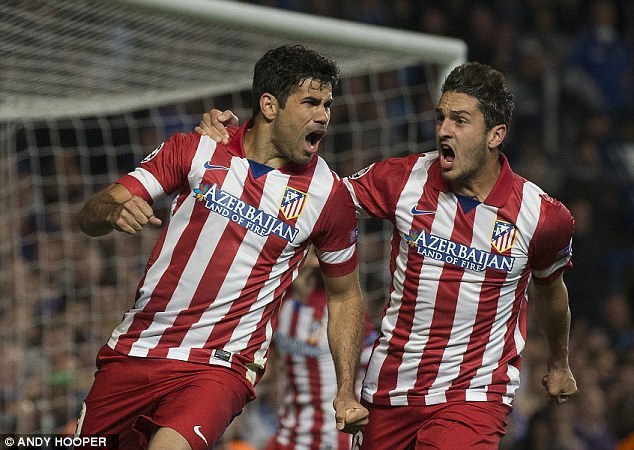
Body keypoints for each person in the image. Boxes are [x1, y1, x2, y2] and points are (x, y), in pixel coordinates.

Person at [197, 60, 579, 449]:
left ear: (496, 134)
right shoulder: (404, 179)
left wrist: (559, 362)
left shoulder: (543, 217)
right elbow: (323, 201)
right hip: (389, 391)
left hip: (474, 396)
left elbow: (551, 291)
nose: (444, 129)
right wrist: (236, 144)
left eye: (460, 121)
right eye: (441, 117)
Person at [74, 44, 369, 450]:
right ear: (269, 105)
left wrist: (345, 390)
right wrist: (112, 212)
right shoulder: (196, 149)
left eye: (327, 105)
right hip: (137, 347)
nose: (323, 115)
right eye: (310, 103)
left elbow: (346, 297)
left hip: (219, 365)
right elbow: (90, 214)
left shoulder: (328, 196)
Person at [263, 248, 377, 450]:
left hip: (334, 439)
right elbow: (269, 367)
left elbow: (374, 371)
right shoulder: (279, 301)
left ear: (315, 259)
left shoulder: (340, 311)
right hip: (288, 435)